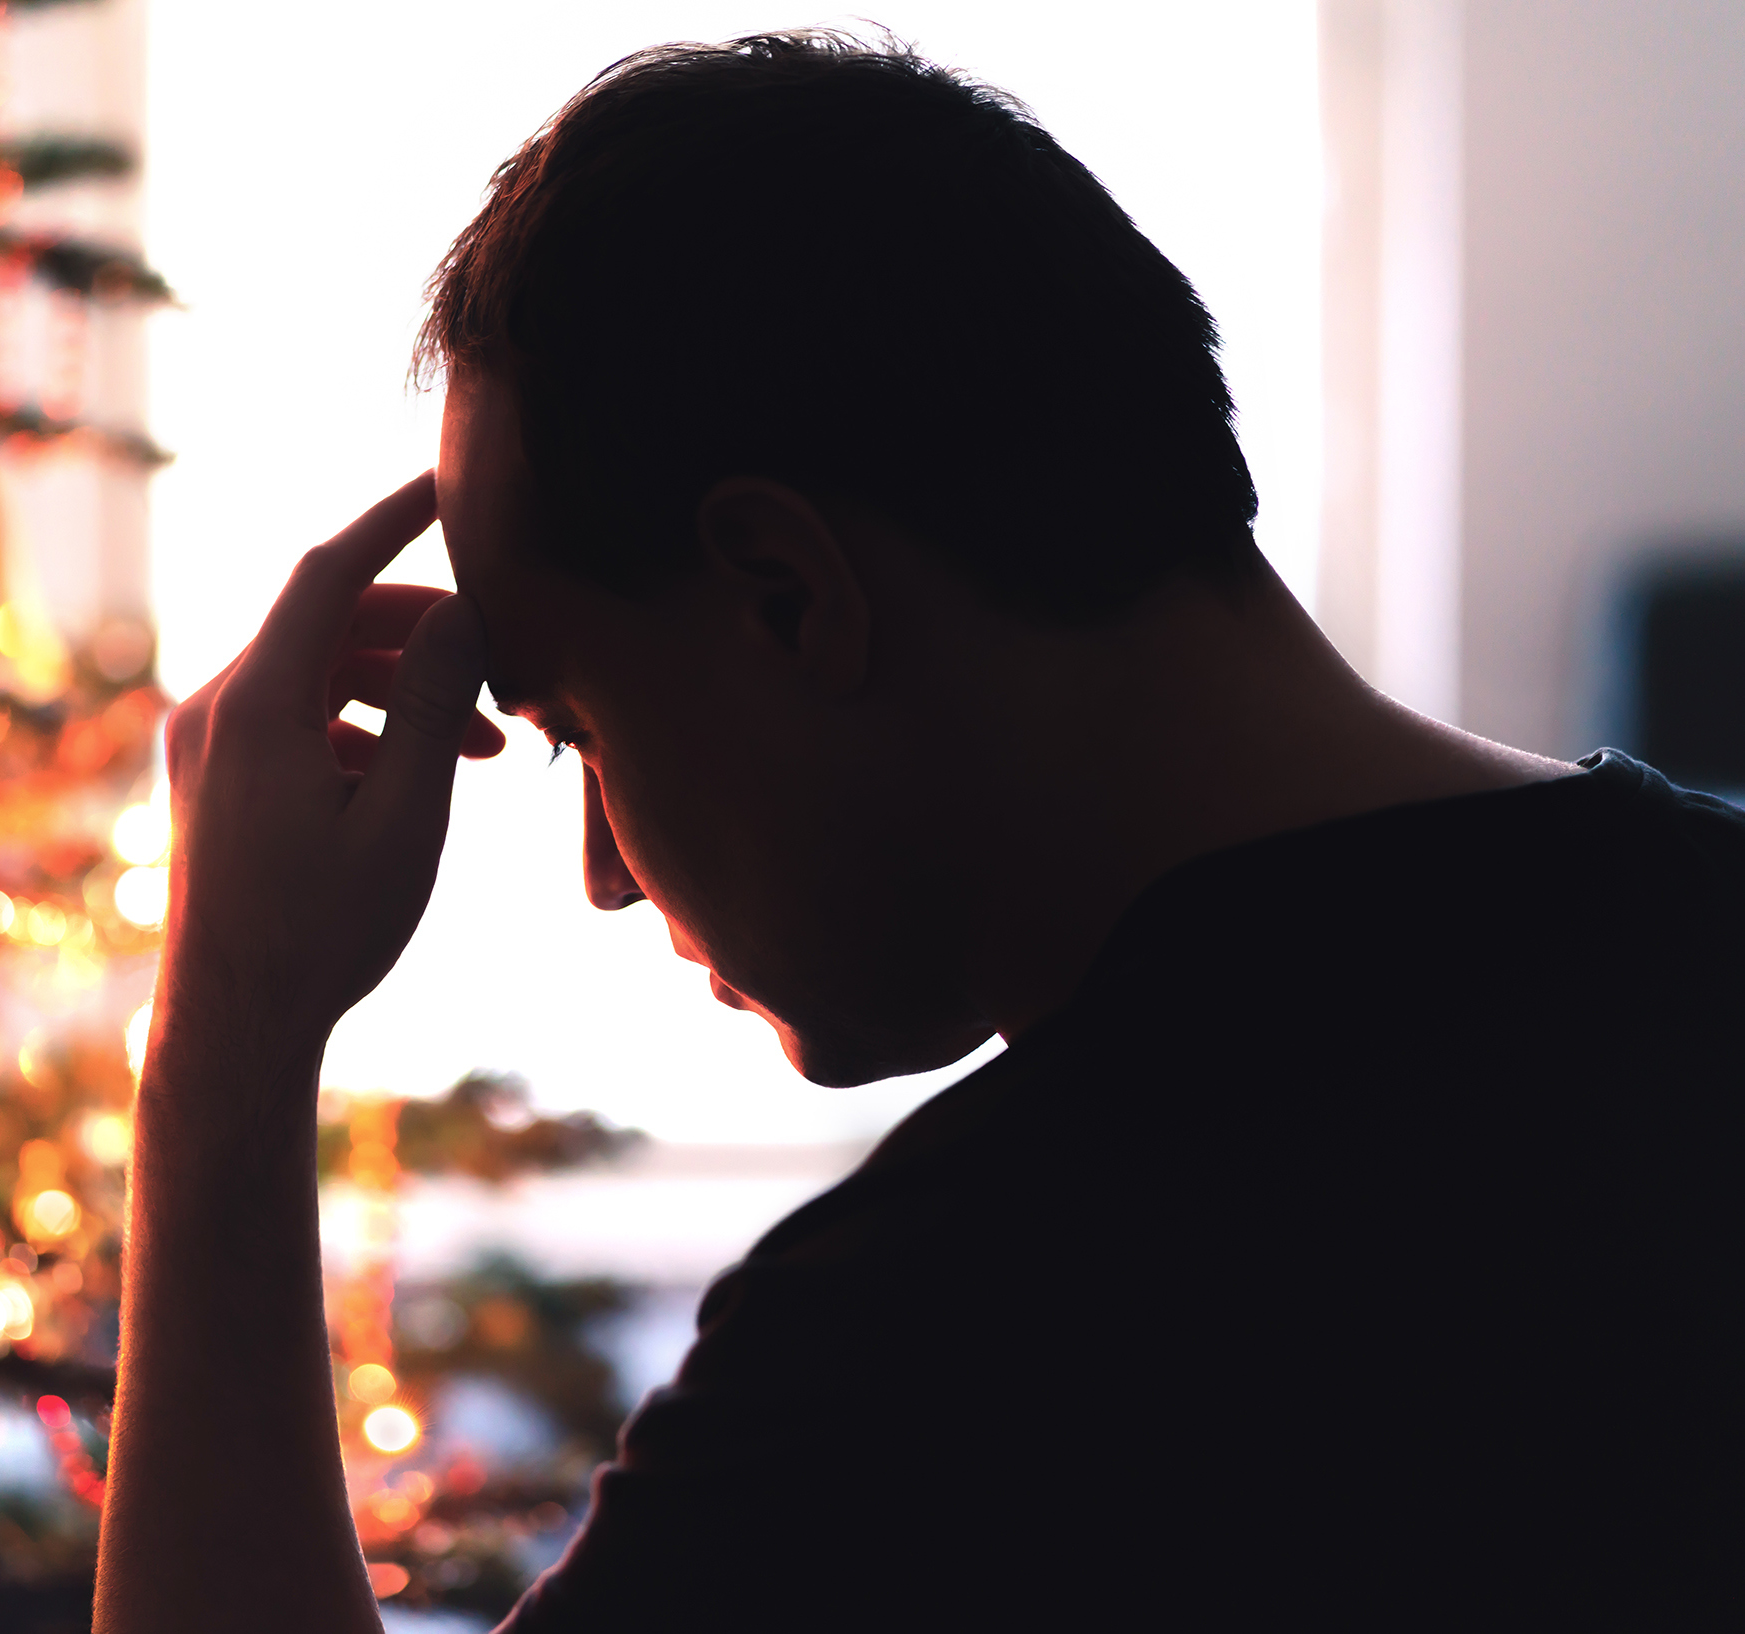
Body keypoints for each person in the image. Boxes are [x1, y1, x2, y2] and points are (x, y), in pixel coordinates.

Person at [95, 34, 1743, 1631]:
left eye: (579, 732)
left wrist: (224, 1041)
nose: (602, 872)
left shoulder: (948, 1343)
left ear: (789, 591)